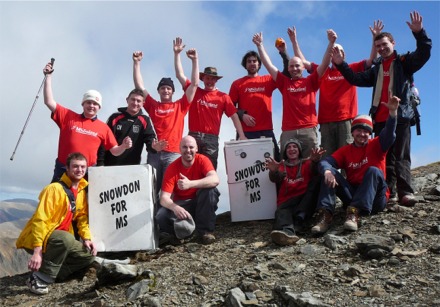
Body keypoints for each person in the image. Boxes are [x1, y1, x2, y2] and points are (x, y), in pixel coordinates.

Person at [333, 11, 432, 206]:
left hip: (400, 115)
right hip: (379, 119)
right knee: (384, 156)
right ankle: (390, 192)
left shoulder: (404, 62)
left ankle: (405, 192)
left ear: (393, 44)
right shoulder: (377, 68)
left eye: (384, 45)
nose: (381, 48)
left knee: (402, 155)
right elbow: (355, 78)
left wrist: (419, 33)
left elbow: (424, 53)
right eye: (378, 46)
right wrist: (341, 65)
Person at [282, 22, 383, 157]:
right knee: (327, 157)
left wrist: (375, 38)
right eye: (332, 51)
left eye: (338, 51)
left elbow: (372, 61)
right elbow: (302, 62)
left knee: (348, 155)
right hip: (326, 122)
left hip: (346, 120)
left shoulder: (351, 69)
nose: (335, 54)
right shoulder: (323, 71)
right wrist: (294, 41)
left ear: (343, 54)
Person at [311, 93, 400, 234]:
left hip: (376, 198)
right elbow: (326, 162)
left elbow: (389, 133)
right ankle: (325, 216)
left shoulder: (377, 144)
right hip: (353, 193)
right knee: (329, 172)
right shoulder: (345, 151)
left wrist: (392, 113)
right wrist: (327, 171)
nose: (362, 134)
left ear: (370, 134)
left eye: (366, 131)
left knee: (373, 171)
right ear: (352, 132)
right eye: (359, 130)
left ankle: (354, 213)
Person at [16, 152, 97, 295]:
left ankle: (48, 273)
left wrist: (86, 238)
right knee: (66, 238)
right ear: (67, 168)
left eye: (83, 167)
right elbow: (41, 220)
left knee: (88, 256)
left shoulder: (81, 192)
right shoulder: (53, 189)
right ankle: (39, 279)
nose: (79, 170)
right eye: (75, 166)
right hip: (43, 240)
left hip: (61, 241)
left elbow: (82, 217)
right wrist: (37, 251)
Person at [252, 29, 336, 159]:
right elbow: (269, 65)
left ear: (303, 67)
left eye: (297, 66)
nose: (294, 68)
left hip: (308, 129)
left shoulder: (311, 81)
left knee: (311, 164)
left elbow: (324, 64)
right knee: (286, 166)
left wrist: (331, 43)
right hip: (288, 131)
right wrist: (260, 45)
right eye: (291, 66)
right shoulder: (284, 83)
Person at [42, 62, 132, 182]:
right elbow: (49, 101)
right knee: (57, 199)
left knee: (84, 202)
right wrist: (48, 76)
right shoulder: (68, 116)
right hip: (64, 169)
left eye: (95, 103)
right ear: (83, 104)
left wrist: (124, 146)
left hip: (87, 173)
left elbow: (114, 151)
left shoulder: (103, 127)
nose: (91, 105)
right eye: (88, 102)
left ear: (99, 107)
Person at [132, 47, 198, 199]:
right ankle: (153, 221)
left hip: (173, 153)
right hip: (154, 153)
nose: (166, 91)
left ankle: (169, 220)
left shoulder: (180, 105)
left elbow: (194, 85)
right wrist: (136, 63)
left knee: (171, 188)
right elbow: (139, 87)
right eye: (163, 88)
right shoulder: (153, 105)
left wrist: (194, 61)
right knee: (151, 188)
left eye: (168, 88)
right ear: (159, 91)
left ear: (173, 91)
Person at [173, 37, 247, 169]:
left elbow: (234, 116)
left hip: (211, 139)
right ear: (202, 78)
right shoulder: (194, 90)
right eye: (207, 78)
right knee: (190, 169)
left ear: (216, 80)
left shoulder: (223, 97)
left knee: (209, 170)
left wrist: (241, 135)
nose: (210, 81)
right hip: (193, 136)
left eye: (213, 79)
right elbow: (179, 75)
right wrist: (177, 54)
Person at [155, 135, 220, 245]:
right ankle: (177, 235)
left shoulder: (203, 160)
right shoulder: (172, 168)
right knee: (161, 215)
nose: (188, 150)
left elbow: (215, 179)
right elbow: (164, 198)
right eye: (184, 147)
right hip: (182, 206)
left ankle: (205, 232)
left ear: (196, 149)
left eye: (191, 147)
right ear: (180, 149)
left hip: (200, 203)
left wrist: (190, 184)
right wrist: (175, 208)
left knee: (210, 191)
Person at [266, 139, 325, 246]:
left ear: (299, 151)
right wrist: (274, 171)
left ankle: (300, 221)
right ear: (285, 152)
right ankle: (287, 233)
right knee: (282, 211)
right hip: (287, 202)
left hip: (304, 201)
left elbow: (315, 172)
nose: (292, 149)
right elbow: (275, 178)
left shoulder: (307, 163)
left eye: (295, 147)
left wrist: (316, 162)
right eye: (288, 147)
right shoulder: (280, 165)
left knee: (316, 181)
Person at [229, 50, 280, 161]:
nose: (252, 63)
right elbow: (229, 108)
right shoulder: (237, 83)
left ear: (259, 64)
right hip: (245, 132)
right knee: (243, 165)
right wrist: (242, 115)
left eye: (254, 61)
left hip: (266, 130)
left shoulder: (268, 79)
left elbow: (284, 76)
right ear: (245, 65)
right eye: (249, 61)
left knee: (276, 163)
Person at [99, 88, 166, 166]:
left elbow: (150, 139)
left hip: (132, 168)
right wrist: (100, 163)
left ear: (143, 103)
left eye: (138, 101)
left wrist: (154, 147)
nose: (135, 103)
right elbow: (104, 141)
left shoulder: (144, 120)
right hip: (110, 165)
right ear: (127, 100)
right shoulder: (114, 118)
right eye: (133, 99)